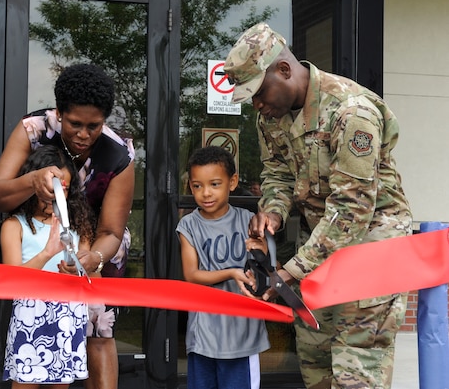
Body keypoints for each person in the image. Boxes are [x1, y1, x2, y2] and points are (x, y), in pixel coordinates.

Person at [223, 22, 413, 388]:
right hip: (319, 252)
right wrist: (273, 214)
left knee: (356, 373)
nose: (258, 105)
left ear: (283, 70)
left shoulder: (351, 112)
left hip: (372, 252)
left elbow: (352, 210)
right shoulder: (271, 117)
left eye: (259, 93)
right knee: (316, 364)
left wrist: (292, 270)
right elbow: (277, 171)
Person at [0, 63, 135, 389]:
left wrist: (93, 257)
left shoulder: (119, 155)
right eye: (75, 124)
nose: (84, 134)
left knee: (98, 327)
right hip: (40, 230)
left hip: (95, 240)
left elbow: (111, 230)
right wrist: (31, 180)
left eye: (93, 126)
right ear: (58, 113)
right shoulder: (33, 130)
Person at [1, 145, 95, 388]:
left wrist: (78, 269)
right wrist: (46, 253)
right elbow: (11, 282)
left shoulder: (78, 226)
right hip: (30, 316)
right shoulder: (15, 225)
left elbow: (90, 276)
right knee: (24, 383)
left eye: (63, 189)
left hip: (67, 316)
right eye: (52, 187)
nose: (56, 195)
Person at [176, 145, 269, 389]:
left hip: (242, 337)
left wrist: (264, 255)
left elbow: (270, 270)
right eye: (197, 186)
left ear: (233, 182)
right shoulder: (188, 226)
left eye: (214, 184)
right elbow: (191, 275)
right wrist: (230, 272)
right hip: (203, 336)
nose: (206, 193)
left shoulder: (248, 221)